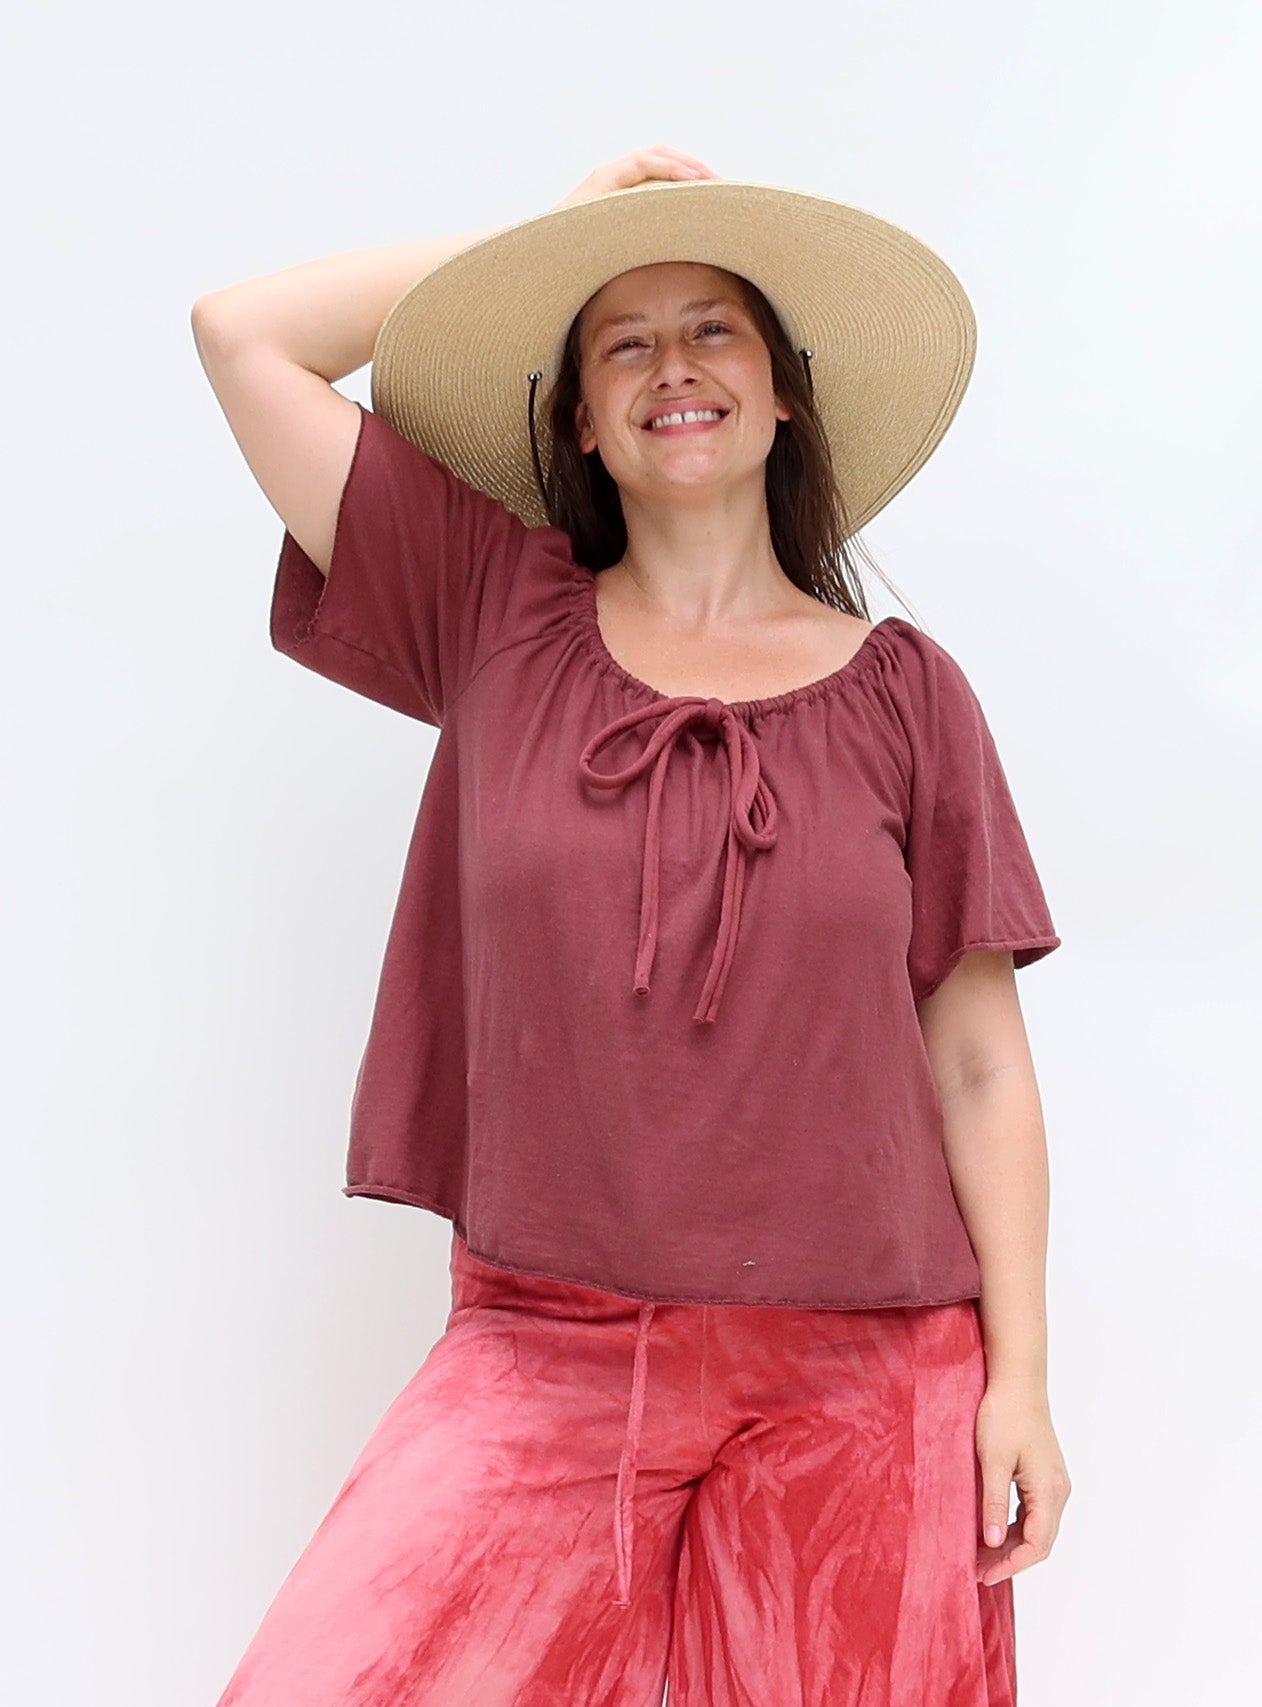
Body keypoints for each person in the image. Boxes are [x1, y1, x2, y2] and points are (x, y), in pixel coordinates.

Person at [192, 145, 1072, 1707]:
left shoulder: (908, 694)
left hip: (871, 1358)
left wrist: (1021, 1380)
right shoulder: (492, 610)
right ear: (581, 424)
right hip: (549, 1338)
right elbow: (243, 334)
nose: (673, 365)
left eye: (713, 328)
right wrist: (552, 236)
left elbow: (980, 1063)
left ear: (785, 395)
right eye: (623, 341)